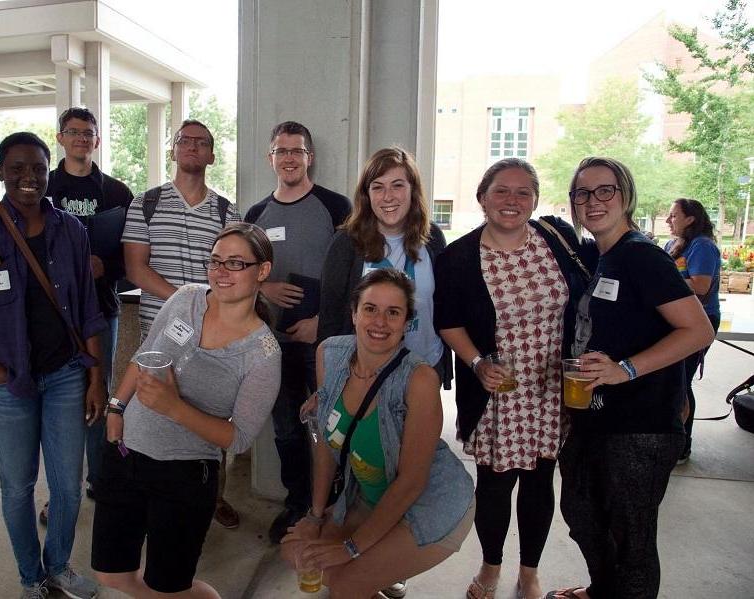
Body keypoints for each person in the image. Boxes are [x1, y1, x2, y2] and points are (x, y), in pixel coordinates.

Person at [0, 132, 105, 599]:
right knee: (17, 486)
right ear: (0, 172)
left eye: (38, 168)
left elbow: (89, 309)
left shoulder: (70, 230)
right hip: (6, 380)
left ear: (49, 171)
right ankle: (30, 578)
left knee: (68, 486)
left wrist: (96, 378)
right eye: (17, 167)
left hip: (67, 376)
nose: (29, 177)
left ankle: (59, 567)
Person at [548, 157, 714, 599]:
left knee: (632, 537)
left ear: (626, 196)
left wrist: (627, 369)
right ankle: (604, 589)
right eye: (582, 193)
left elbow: (699, 329)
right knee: (581, 509)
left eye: (606, 190)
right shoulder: (604, 257)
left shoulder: (642, 257)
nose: (593, 201)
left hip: (642, 425)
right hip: (596, 417)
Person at [91, 223, 281, 599]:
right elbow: (145, 351)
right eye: (214, 261)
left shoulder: (264, 355)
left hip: (184, 475)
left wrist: (174, 408)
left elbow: (239, 438)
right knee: (110, 573)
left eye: (235, 263)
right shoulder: (187, 298)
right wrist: (116, 408)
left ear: (262, 271)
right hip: (126, 452)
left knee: (168, 585)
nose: (220, 271)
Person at [433, 158, 593, 599]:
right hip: (497, 392)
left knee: (541, 481)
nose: (512, 201)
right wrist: (477, 363)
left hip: (552, 389)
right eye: (502, 191)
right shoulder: (459, 257)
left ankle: (529, 571)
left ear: (536, 201)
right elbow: (447, 322)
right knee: (495, 484)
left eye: (524, 193)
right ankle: (490, 566)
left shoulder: (554, 239)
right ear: (482, 197)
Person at [280, 268, 475, 599]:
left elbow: (411, 482)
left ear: (406, 322)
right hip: (371, 496)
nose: (380, 322)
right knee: (295, 550)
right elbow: (328, 445)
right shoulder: (329, 353)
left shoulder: (419, 379)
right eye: (370, 309)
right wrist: (315, 515)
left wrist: (352, 548)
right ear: (354, 312)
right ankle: (378, 574)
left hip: (428, 502)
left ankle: (375, 571)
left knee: (345, 584)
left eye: (393, 312)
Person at [122, 118, 243, 528]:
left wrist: (206, 311)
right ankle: (158, 496)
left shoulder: (228, 211)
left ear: (211, 154)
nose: (192, 147)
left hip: (214, 336)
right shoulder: (147, 202)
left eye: (202, 142)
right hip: (160, 334)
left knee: (211, 415)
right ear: (173, 150)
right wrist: (186, 302)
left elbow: (234, 271)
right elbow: (136, 270)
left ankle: (214, 495)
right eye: (184, 141)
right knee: (158, 410)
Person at [244, 120, 351, 543]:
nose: (289, 158)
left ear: (310, 157)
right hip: (272, 347)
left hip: (326, 344)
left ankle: (339, 509)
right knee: (287, 431)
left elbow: (354, 273)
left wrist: (323, 324)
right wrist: (262, 285)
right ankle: (297, 506)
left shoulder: (336, 206)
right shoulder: (255, 215)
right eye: (281, 151)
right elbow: (240, 270)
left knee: (336, 426)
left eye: (297, 151)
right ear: (270, 158)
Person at [39, 106, 134, 524]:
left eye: (89, 133)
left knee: (100, 391)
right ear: (60, 138)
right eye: (73, 132)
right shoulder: (43, 187)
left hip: (100, 308)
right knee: (58, 396)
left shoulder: (116, 193)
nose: (81, 138)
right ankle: (62, 490)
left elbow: (130, 258)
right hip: (50, 315)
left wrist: (105, 267)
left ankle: (101, 477)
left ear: (97, 140)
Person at [318, 147, 451, 386]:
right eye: (378, 187)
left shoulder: (432, 238)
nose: (387, 196)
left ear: (413, 190)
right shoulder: (347, 243)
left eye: (397, 185)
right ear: (366, 195)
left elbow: (444, 307)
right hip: (365, 374)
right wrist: (330, 382)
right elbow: (331, 318)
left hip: (426, 367)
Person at [664, 198, 721, 463]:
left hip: (699, 320)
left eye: (674, 215)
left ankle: (681, 444)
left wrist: (658, 279)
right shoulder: (672, 244)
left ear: (690, 219)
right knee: (673, 380)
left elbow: (700, 285)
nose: (668, 220)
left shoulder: (703, 246)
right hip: (671, 320)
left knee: (682, 381)